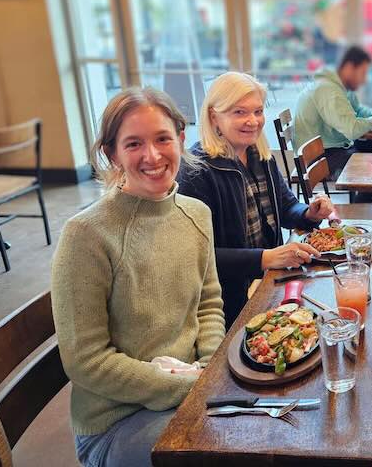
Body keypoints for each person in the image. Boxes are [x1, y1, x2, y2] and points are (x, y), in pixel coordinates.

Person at [51, 88, 225, 467]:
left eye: (163, 138)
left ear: (180, 139)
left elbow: (208, 302)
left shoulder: (196, 214)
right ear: (112, 153)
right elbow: (86, 361)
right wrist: (189, 386)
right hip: (116, 423)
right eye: (133, 144)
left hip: (191, 391)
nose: (152, 155)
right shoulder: (87, 235)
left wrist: (210, 370)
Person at [177, 72, 333, 327]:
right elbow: (197, 258)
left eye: (258, 111)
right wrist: (265, 258)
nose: (253, 121)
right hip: (227, 304)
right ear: (214, 116)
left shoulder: (259, 154)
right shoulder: (196, 171)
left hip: (268, 283)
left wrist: (309, 213)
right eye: (239, 112)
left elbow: (286, 206)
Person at [293, 45, 372, 182]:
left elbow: (357, 110)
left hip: (333, 146)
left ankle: (364, 193)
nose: (364, 80)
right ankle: (362, 201)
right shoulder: (329, 90)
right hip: (318, 156)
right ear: (349, 67)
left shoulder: (340, 86)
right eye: (363, 73)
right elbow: (351, 130)